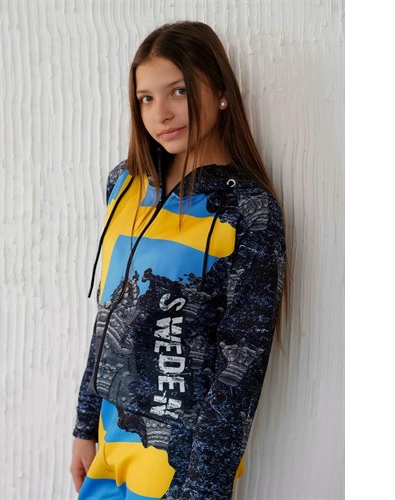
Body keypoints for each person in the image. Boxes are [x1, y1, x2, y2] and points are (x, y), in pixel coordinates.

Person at [70, 20, 287, 500]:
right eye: (146, 98)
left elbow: (240, 368)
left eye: (179, 91)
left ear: (222, 93)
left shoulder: (247, 210)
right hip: (109, 451)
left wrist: (202, 489)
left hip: (178, 473)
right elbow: (110, 314)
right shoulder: (124, 185)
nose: (161, 113)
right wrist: (84, 424)